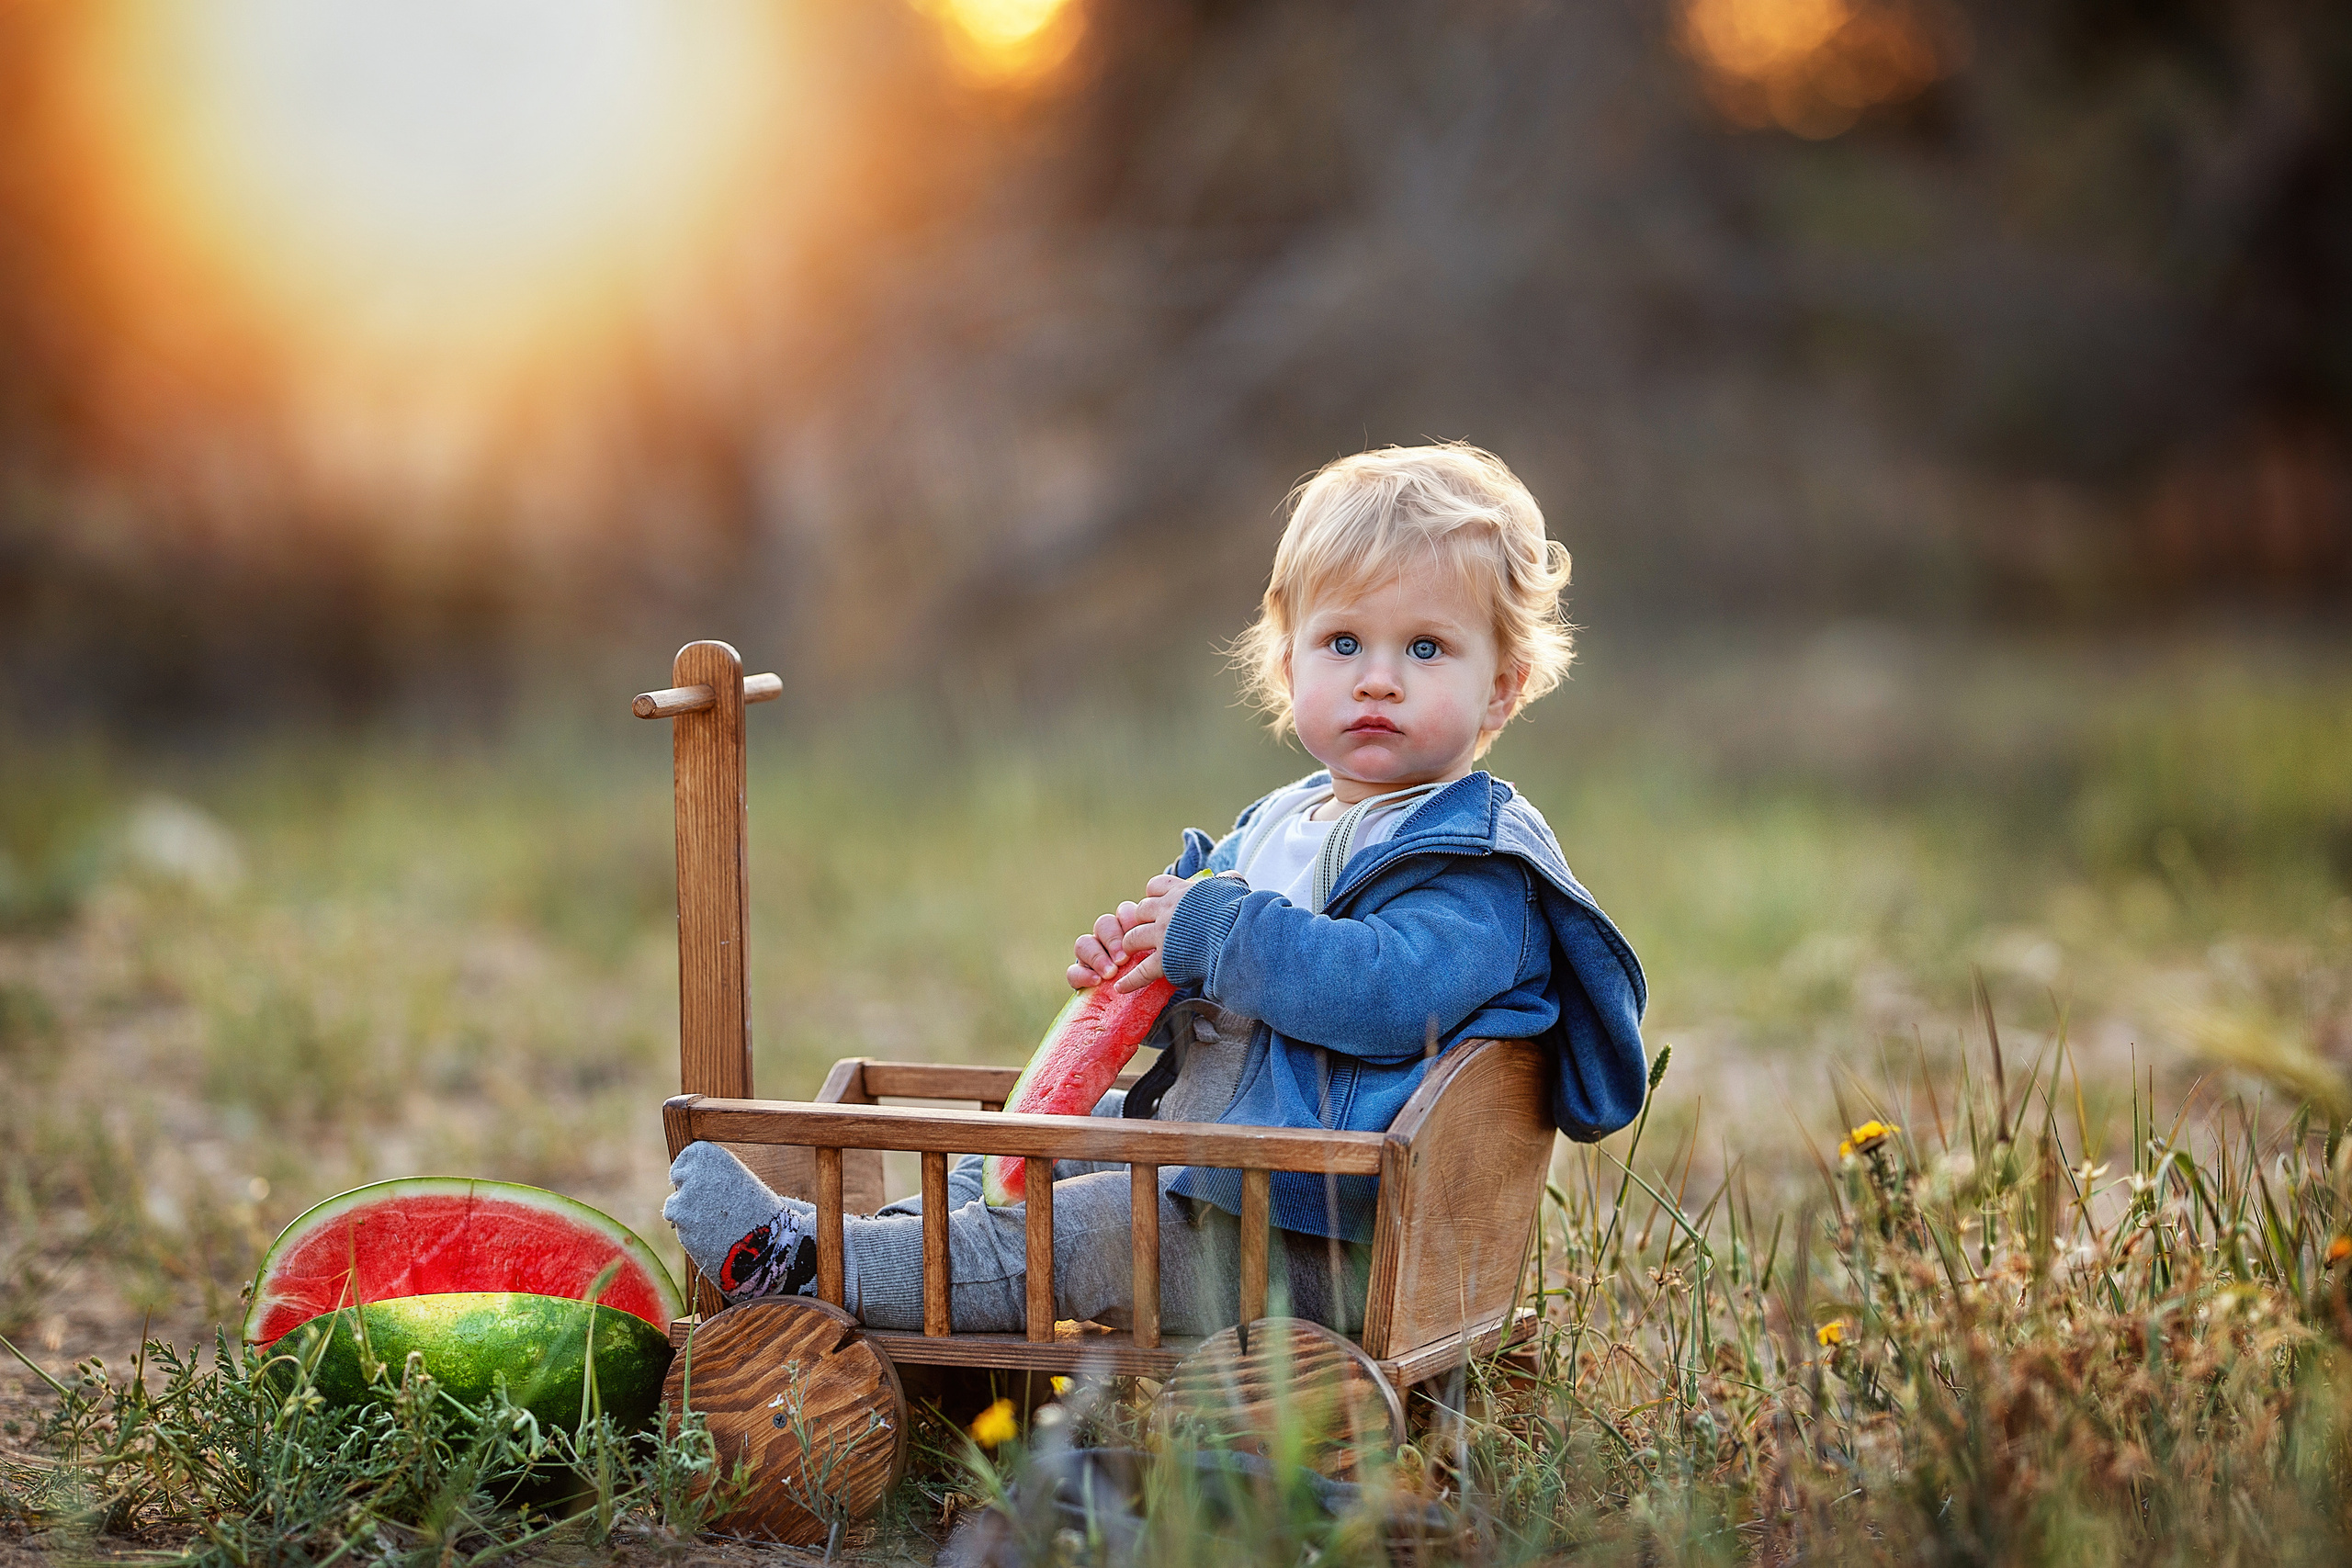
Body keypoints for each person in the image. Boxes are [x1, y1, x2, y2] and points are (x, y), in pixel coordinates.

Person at [663, 442, 1647, 1335]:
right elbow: (1215, 962)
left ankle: (808, 1271)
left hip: (1325, 1244)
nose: (1377, 679)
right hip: (1209, 1175)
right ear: (1287, 660)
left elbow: (1391, 994)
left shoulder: (1477, 870)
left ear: (1505, 685)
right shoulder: (1274, 824)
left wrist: (1216, 931)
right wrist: (1140, 967)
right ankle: (857, 1244)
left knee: (1084, 1228)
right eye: (1343, 643)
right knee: (1014, 1159)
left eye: (1425, 648)